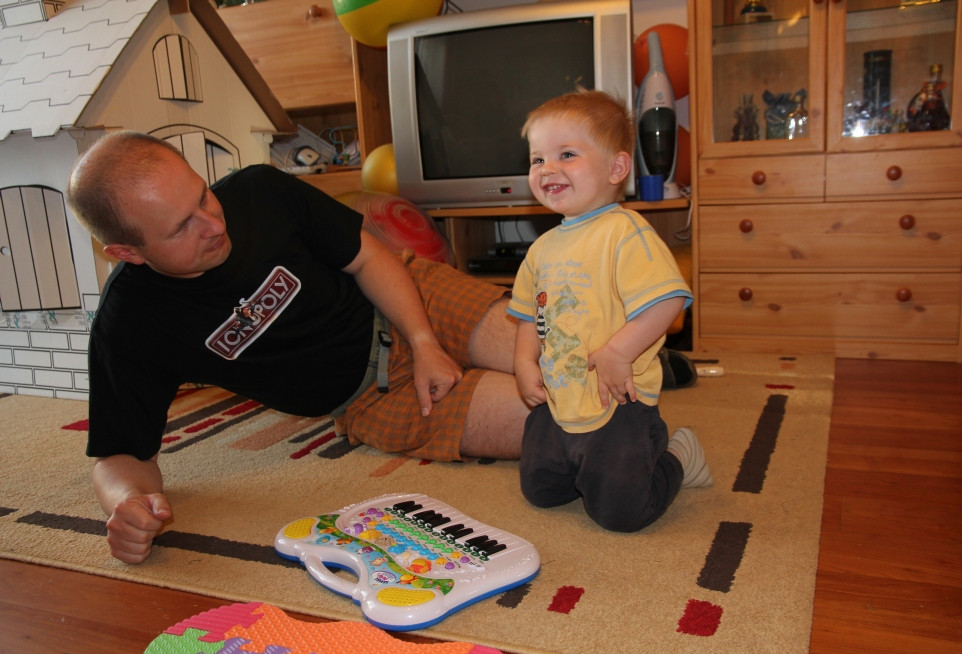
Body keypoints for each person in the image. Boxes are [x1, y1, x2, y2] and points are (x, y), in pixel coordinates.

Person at [67, 131, 529, 564]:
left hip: (408, 297)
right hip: (371, 398)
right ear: (128, 252)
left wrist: (423, 341)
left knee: (556, 360)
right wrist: (129, 503)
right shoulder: (129, 323)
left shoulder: (260, 191)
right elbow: (119, 455)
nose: (212, 224)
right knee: (546, 416)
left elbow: (367, 257)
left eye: (203, 195)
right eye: (181, 227)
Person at [507, 90, 712, 533]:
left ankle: (678, 456)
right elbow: (528, 314)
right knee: (541, 491)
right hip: (559, 396)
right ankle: (581, 467)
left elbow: (668, 299)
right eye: (538, 159)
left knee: (622, 513)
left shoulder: (625, 231)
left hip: (618, 398)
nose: (547, 169)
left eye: (566, 154)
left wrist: (619, 351)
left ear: (616, 168)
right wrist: (524, 362)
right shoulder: (542, 248)